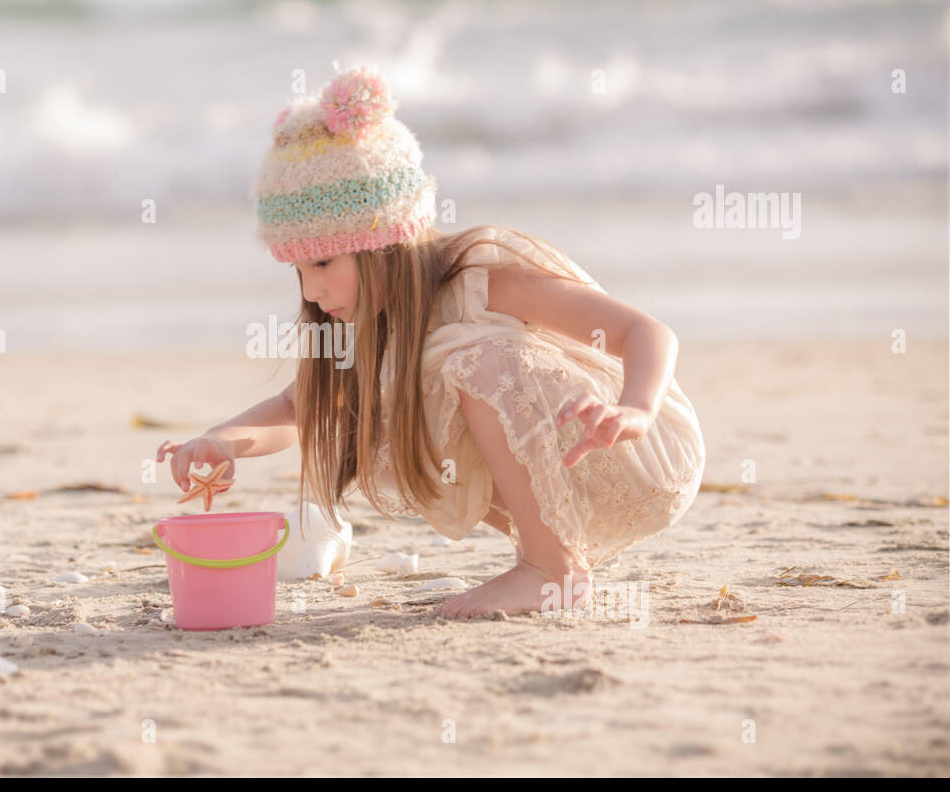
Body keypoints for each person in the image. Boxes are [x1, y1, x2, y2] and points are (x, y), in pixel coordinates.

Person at [157, 65, 705, 619]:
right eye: (298, 269)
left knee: (471, 363)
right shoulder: (363, 322)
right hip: (572, 465)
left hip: (637, 446)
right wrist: (221, 441)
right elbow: (299, 409)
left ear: (385, 242)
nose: (313, 290)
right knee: (399, 407)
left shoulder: (480, 277)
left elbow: (646, 332)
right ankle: (546, 554)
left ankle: (551, 570)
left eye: (323, 262)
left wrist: (635, 408)